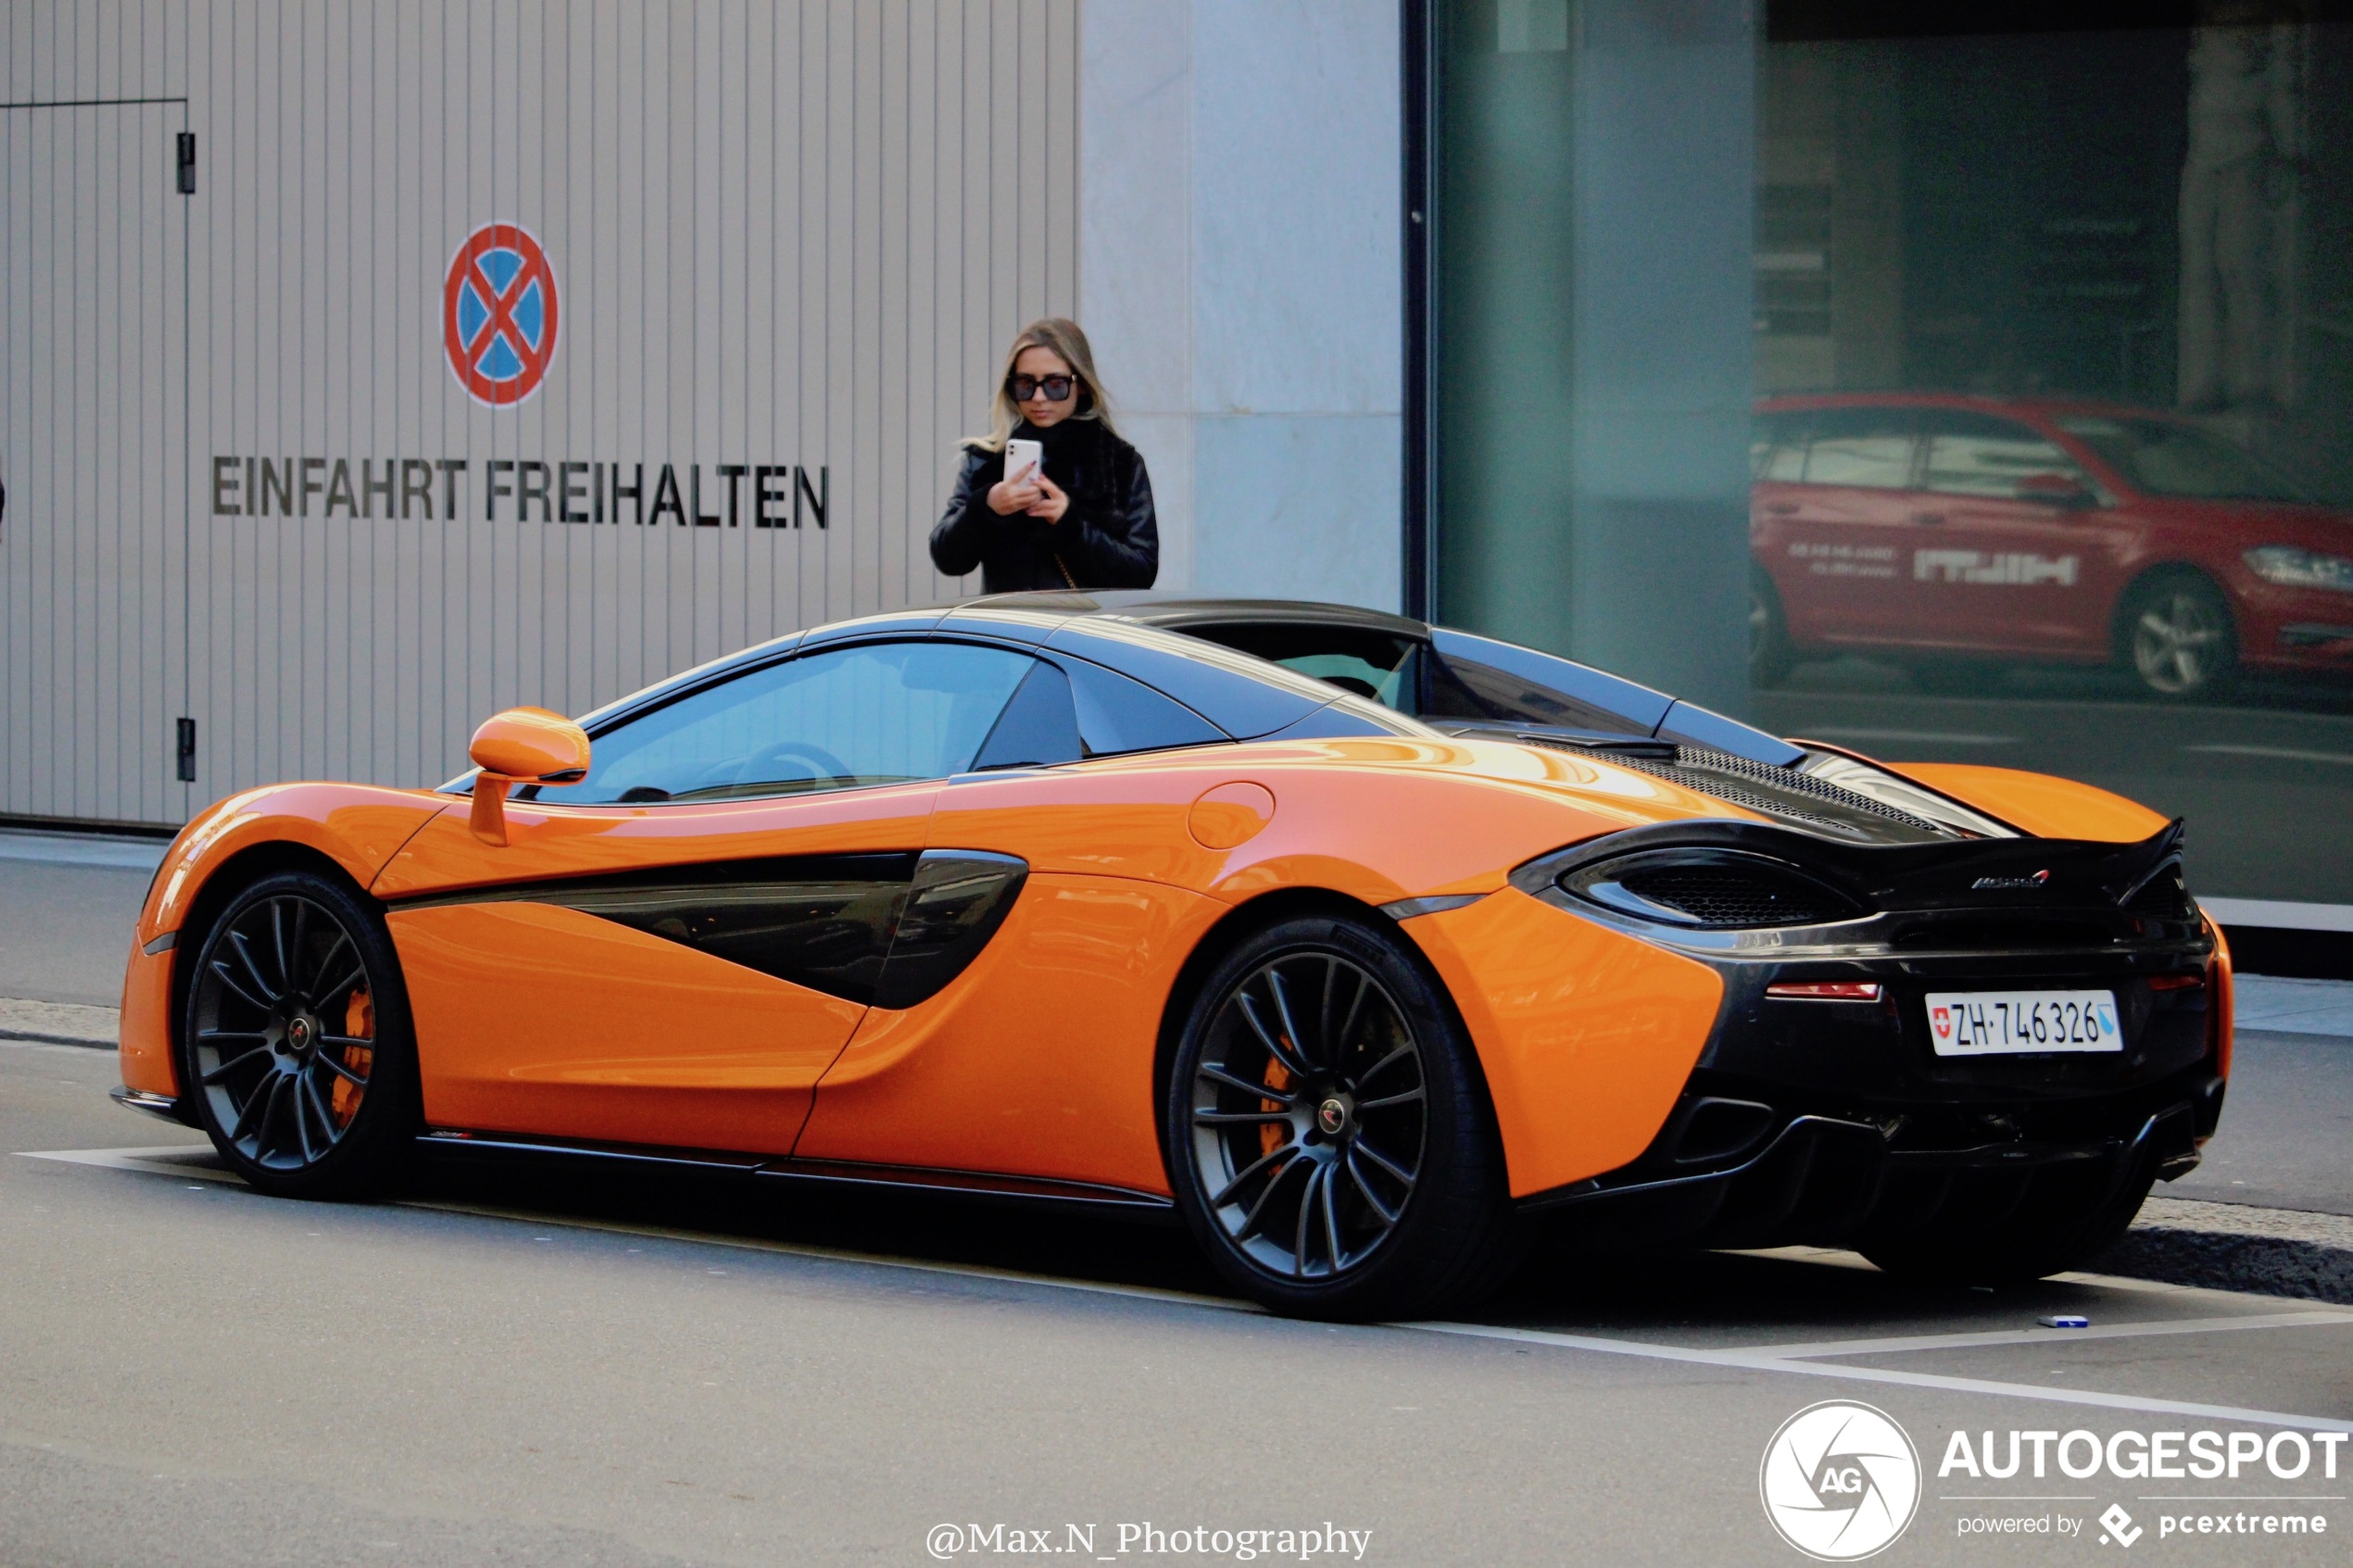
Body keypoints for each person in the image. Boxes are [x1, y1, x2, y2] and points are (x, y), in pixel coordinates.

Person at [930, 318, 1159, 592]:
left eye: (1055, 385)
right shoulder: (987, 460)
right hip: (1012, 631)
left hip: (1083, 629)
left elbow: (1141, 572)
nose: (1039, 397)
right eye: (1025, 384)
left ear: (1081, 384)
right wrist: (985, 507)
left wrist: (1071, 527)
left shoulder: (1119, 463)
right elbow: (948, 559)